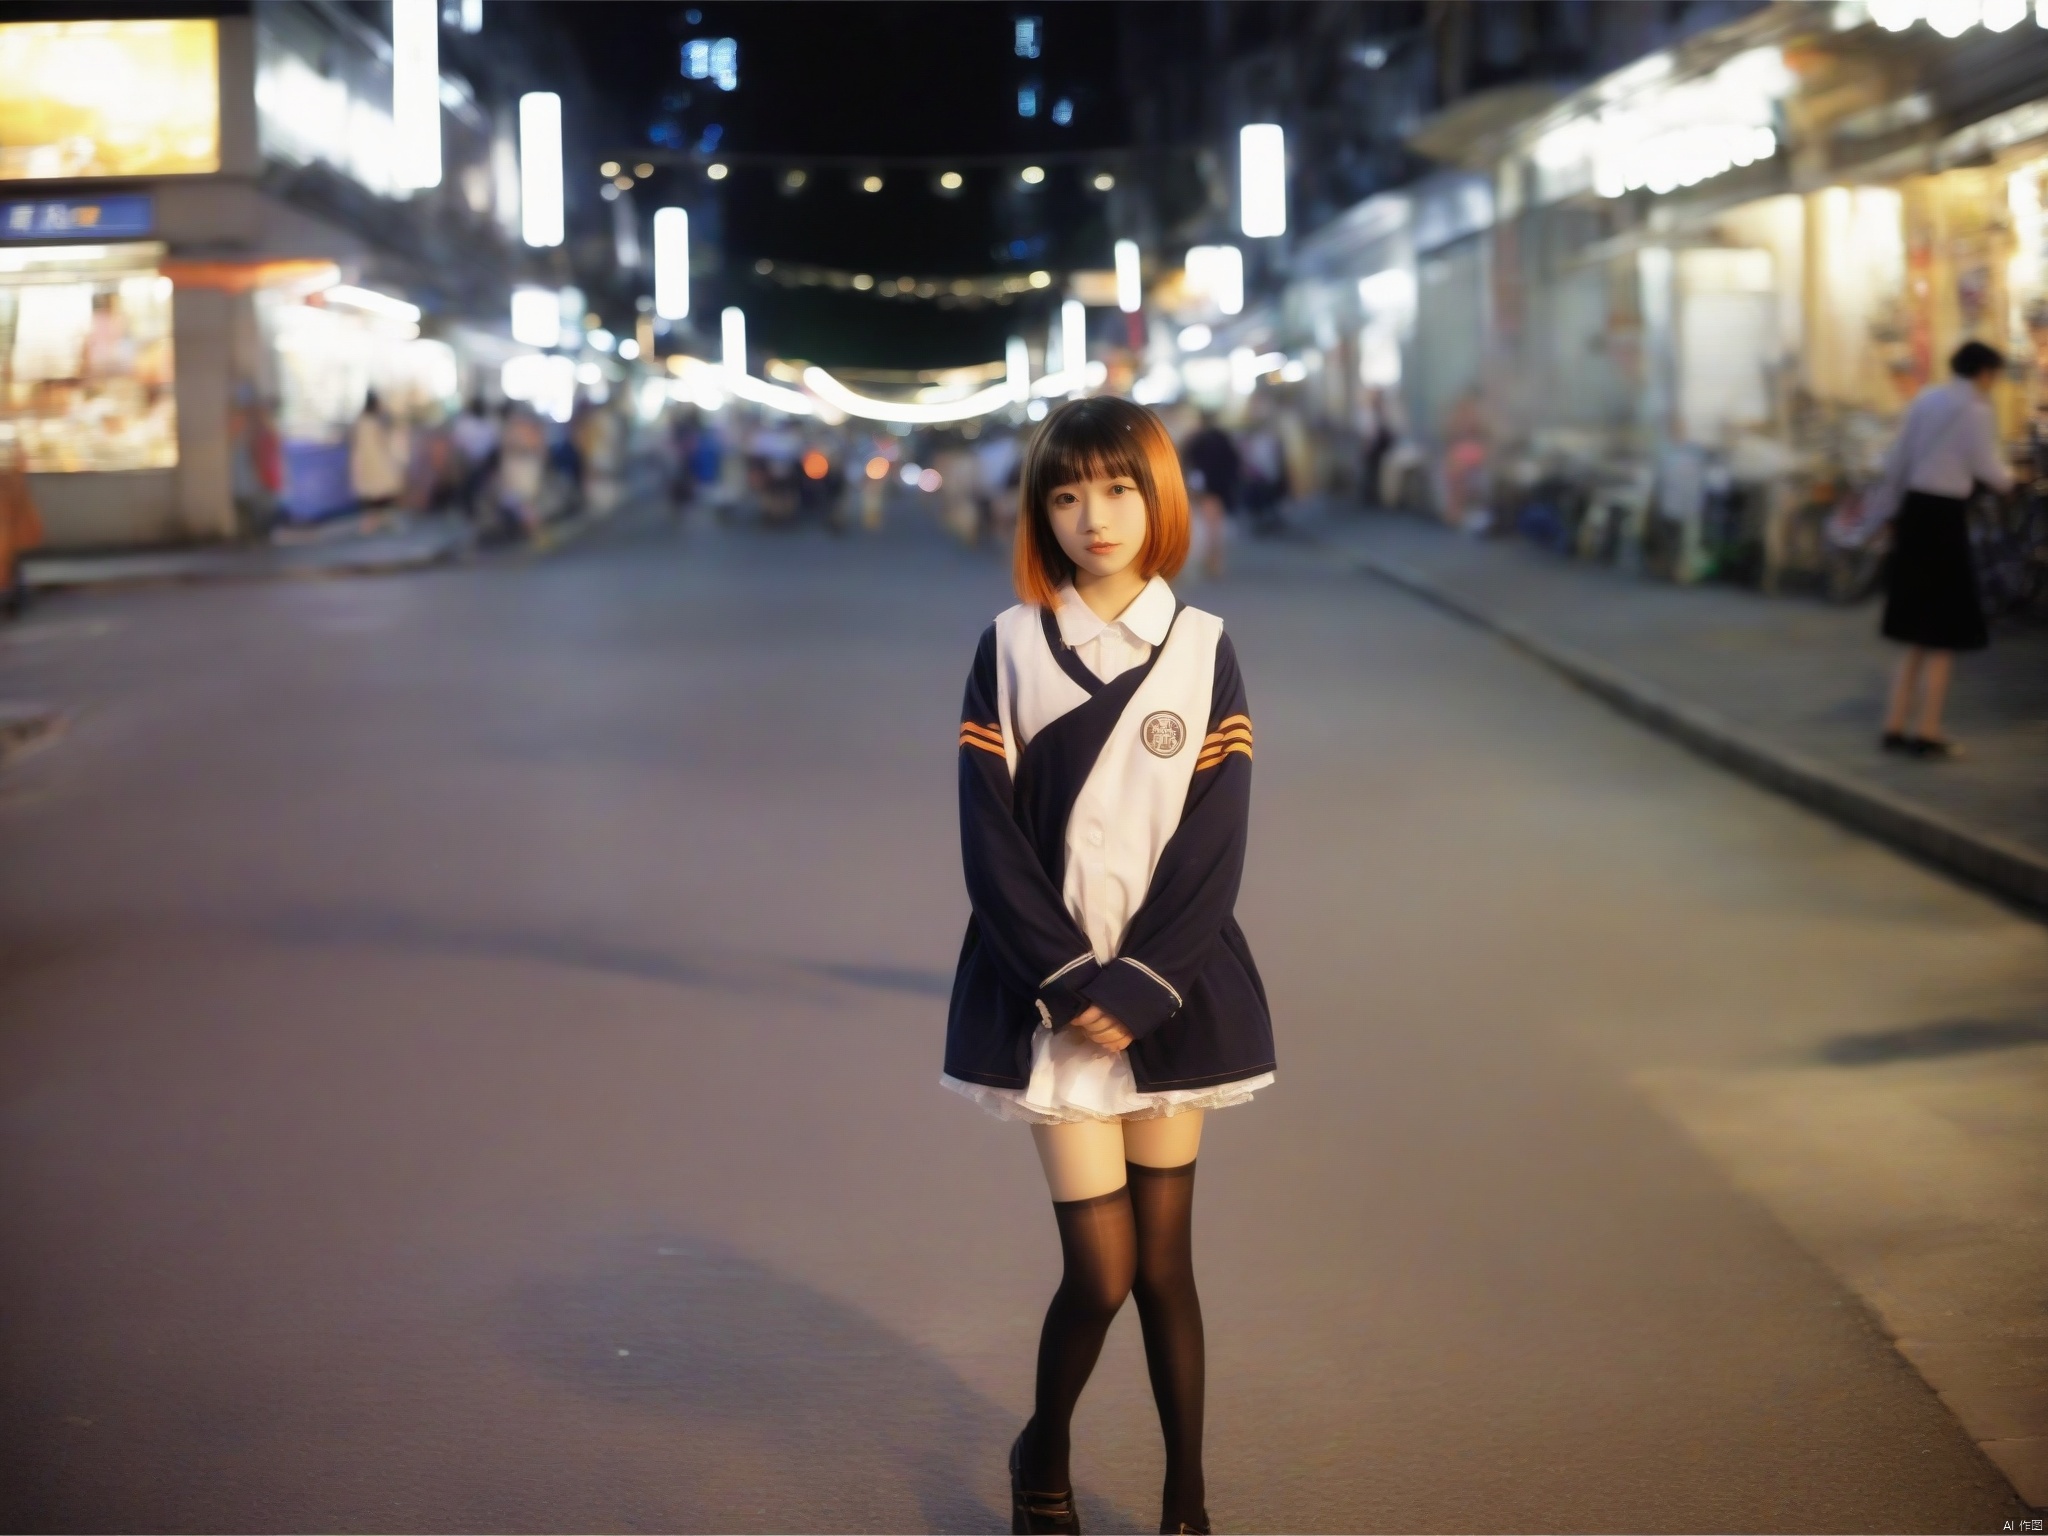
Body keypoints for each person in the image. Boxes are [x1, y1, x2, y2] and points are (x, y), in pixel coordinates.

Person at [944, 396, 1275, 1536]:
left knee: (1166, 1268)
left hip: (1168, 995)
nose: (1095, 516)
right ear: (1040, 507)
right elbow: (987, 842)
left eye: (1120, 489)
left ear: (1158, 498)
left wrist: (1138, 989)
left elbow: (1214, 844)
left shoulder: (1203, 648)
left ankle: (1186, 1504)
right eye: (1067, 492)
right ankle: (1044, 1460)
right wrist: (1071, 989)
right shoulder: (1008, 646)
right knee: (1099, 1272)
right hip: (1052, 1007)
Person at [1872, 340, 2013, 758]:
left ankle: (1894, 725)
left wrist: (1886, 512)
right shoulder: (1976, 409)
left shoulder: (1927, 400)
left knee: (1915, 627)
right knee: (1945, 631)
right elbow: (1987, 466)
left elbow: (1898, 460)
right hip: (1945, 518)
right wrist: (2012, 480)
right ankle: (1928, 731)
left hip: (1914, 513)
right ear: (1985, 373)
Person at [1180, 415, 1239, 579]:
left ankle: (1211, 560)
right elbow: (1233, 462)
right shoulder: (1222, 440)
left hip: (1204, 486)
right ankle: (1214, 560)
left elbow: (1187, 460)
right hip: (1220, 487)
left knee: (1208, 524)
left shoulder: (1196, 440)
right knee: (1215, 525)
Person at [348, 390, 406, 513]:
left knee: (375, 492)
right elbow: (384, 441)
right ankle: (376, 518)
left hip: (368, 462)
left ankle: (378, 518)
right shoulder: (372, 423)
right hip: (373, 462)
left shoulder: (362, 422)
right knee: (380, 489)